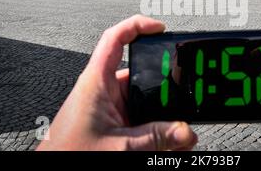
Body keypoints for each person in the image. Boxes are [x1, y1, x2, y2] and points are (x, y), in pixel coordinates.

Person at [37, 15, 198, 151]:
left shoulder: (150, 98)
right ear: (174, 59)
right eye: (184, 57)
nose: (188, 63)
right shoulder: (148, 99)